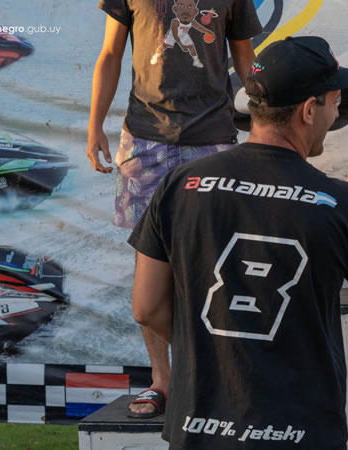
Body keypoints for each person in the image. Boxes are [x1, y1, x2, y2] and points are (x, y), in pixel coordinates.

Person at [129, 36, 348, 449]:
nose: (334, 115)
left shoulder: (180, 184)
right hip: (300, 432)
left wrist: (216, 350)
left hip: (199, 429)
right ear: (309, 110)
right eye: (333, 102)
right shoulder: (341, 202)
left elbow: (146, 308)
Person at [86, 0, 262, 419]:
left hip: (213, 138)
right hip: (146, 140)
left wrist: (265, 109)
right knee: (151, 265)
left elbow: (246, 55)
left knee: (219, 263)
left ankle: (218, 374)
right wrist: (94, 124)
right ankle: (162, 379)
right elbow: (110, 52)